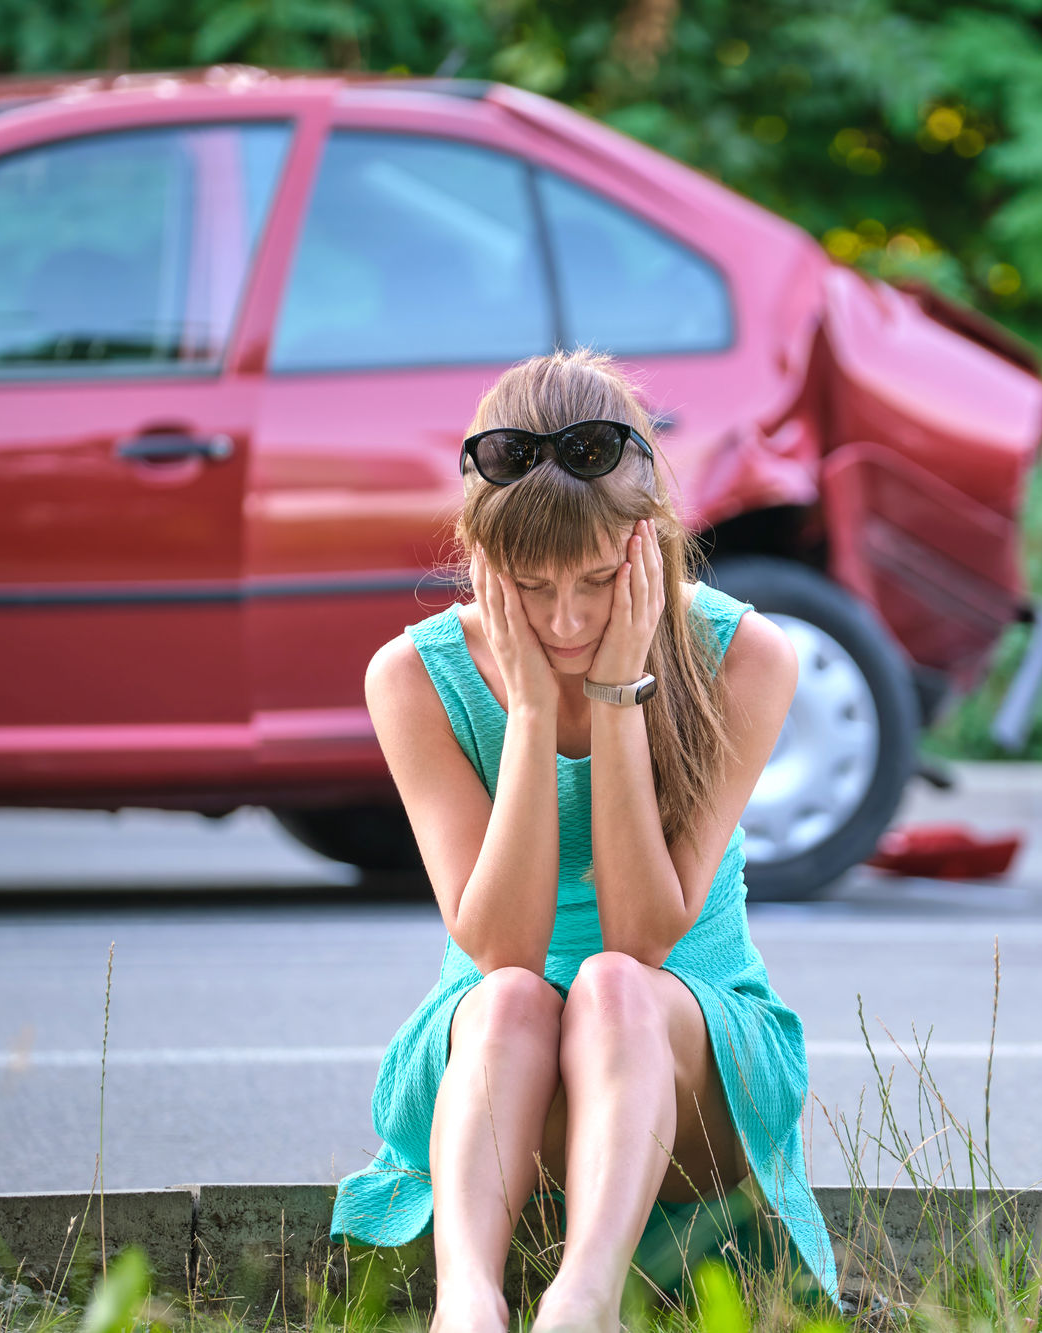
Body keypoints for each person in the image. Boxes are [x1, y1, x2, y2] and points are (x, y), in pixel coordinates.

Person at [329, 349, 838, 1331]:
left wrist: (612, 699)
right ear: (481, 558)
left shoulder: (745, 656)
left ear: (646, 543)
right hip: (492, 1060)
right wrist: (526, 712)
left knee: (609, 984)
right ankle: (466, 1301)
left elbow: (644, 940)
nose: (564, 619)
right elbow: (498, 951)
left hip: (691, 1063)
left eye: (597, 580)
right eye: (530, 585)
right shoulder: (411, 677)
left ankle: (583, 1304)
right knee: (517, 997)